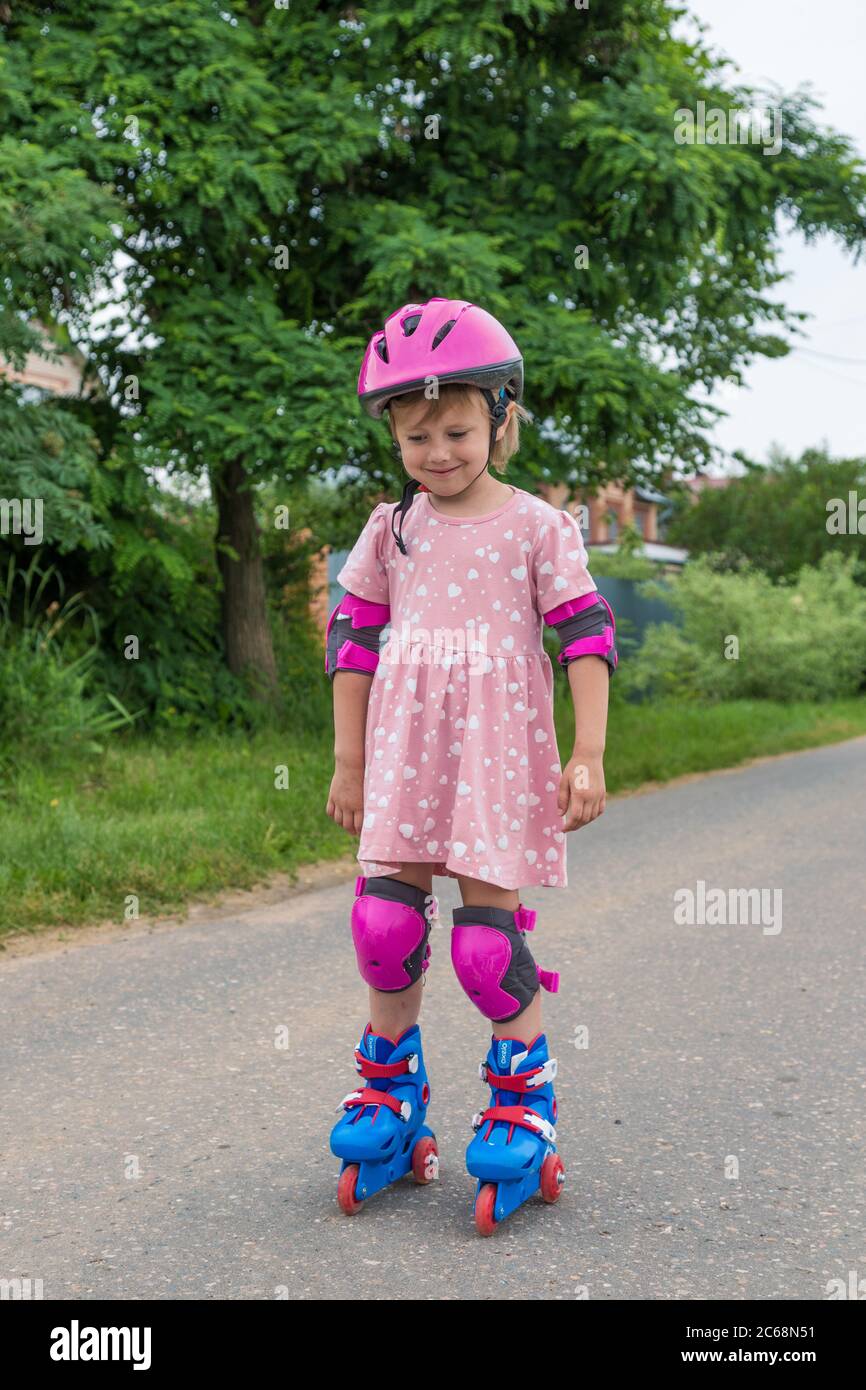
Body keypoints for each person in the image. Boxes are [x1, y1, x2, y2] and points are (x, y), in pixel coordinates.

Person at [324, 297, 617, 1233]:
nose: (438, 451)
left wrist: (590, 752)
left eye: (456, 430)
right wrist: (346, 761)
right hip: (404, 756)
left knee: (486, 949)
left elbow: (583, 635)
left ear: (501, 417)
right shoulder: (391, 529)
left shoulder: (539, 526)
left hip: (495, 757)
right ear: (395, 439)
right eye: (416, 437)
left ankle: (524, 1107)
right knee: (383, 925)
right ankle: (388, 1095)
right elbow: (354, 643)